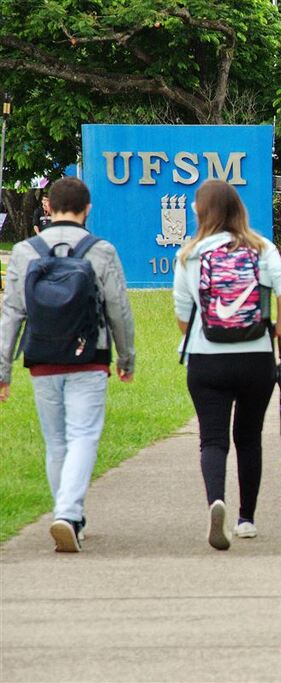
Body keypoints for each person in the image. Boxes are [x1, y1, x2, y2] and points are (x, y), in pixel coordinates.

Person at [0, 177, 135, 552]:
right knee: (84, 436)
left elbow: (11, 312)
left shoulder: (26, 251)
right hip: (89, 356)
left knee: (56, 441)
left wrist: (3, 369)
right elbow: (118, 309)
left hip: (42, 357)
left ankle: (70, 515)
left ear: (48, 206)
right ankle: (68, 511)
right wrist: (126, 357)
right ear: (87, 208)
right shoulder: (102, 250)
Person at [174, 180, 281, 550]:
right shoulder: (262, 247)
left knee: (212, 438)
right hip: (255, 358)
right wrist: (273, 331)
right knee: (249, 437)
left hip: (206, 360)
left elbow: (182, 314)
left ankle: (216, 502)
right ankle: (246, 519)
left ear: (201, 211)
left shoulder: (189, 255)